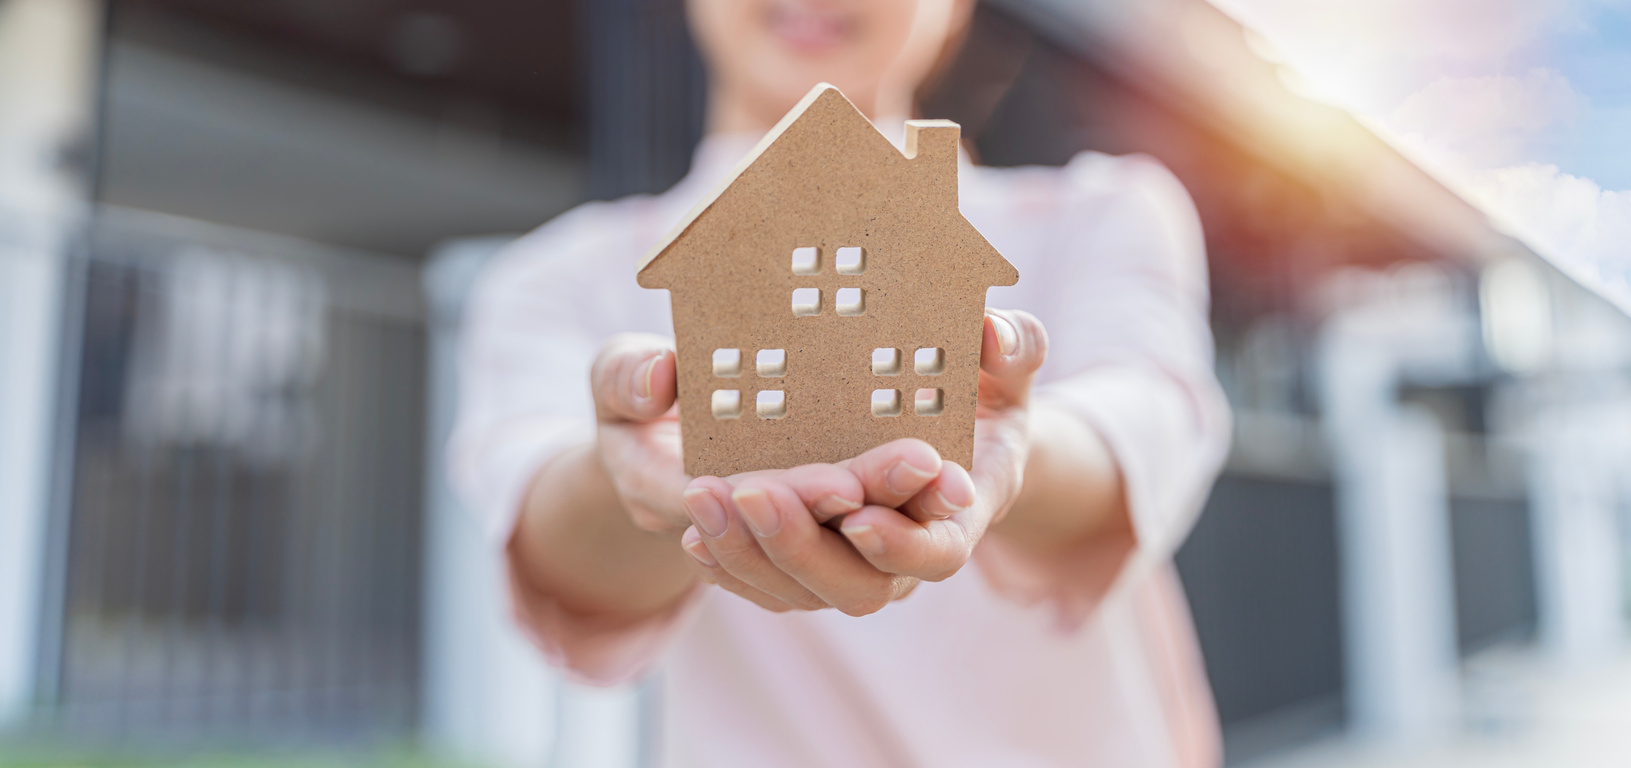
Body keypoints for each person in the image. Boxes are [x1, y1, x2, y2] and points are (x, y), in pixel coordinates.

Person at [449, 0, 1231, 764]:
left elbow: (1146, 423)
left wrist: (1010, 450)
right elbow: (545, 533)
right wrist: (626, 475)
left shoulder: (1101, 213)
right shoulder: (556, 278)